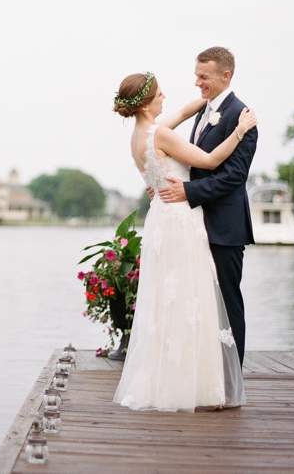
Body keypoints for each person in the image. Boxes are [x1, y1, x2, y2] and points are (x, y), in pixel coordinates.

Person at [110, 69, 256, 412]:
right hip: (180, 219)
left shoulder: (139, 136)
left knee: (170, 300)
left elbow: (181, 114)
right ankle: (197, 382)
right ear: (146, 103)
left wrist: (210, 97)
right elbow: (208, 160)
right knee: (193, 296)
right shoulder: (160, 134)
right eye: (159, 94)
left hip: (161, 218)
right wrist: (239, 130)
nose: (165, 98)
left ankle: (174, 379)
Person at [157, 46, 257, 366]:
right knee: (203, 304)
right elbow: (195, 161)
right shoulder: (205, 110)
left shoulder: (242, 117)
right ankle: (208, 373)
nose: (197, 82)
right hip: (198, 225)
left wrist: (188, 191)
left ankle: (233, 379)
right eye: (196, 75)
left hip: (226, 227)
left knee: (228, 303)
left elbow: (233, 178)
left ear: (225, 75)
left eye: (204, 76)